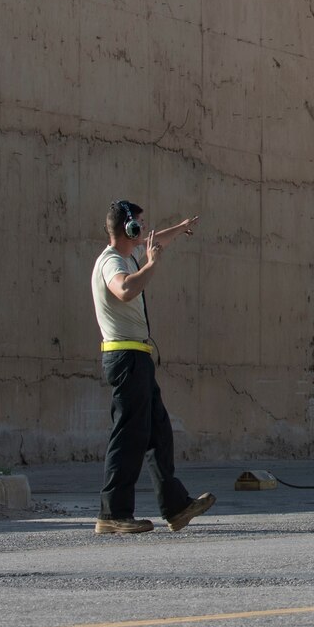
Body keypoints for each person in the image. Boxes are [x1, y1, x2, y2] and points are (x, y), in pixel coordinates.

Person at [91, 200, 213, 535]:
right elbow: (125, 289)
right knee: (128, 436)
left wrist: (181, 226)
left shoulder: (128, 254)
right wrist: (150, 266)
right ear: (128, 227)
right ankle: (112, 513)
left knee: (157, 431)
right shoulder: (112, 262)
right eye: (140, 225)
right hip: (126, 358)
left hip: (138, 358)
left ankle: (176, 507)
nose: (145, 231)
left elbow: (155, 242)